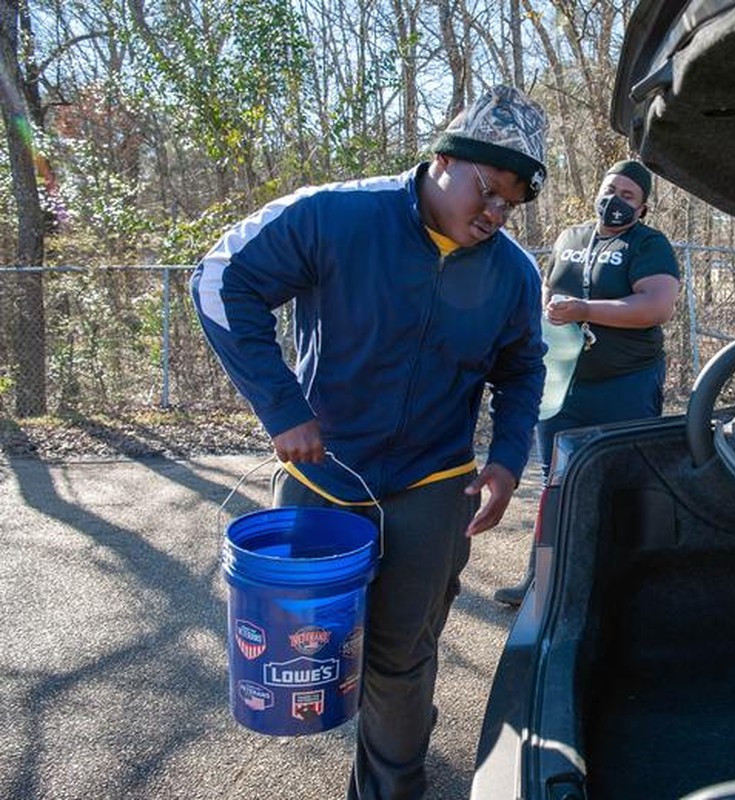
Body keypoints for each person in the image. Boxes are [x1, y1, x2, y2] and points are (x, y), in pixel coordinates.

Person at [191, 85, 549, 799]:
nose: (496, 214)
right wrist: (282, 404)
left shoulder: (513, 271)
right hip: (325, 476)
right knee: (306, 648)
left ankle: (390, 790)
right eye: (488, 191)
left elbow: (522, 369)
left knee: (401, 658)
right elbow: (220, 278)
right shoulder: (337, 216)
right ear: (443, 158)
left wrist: (507, 460)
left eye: (512, 203)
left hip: (431, 484)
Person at [493, 159, 681, 606]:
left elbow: (657, 306)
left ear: (643, 207)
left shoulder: (649, 244)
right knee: (554, 479)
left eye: (628, 195)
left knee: (622, 478)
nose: (615, 199)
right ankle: (540, 580)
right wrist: (551, 313)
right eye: (610, 188)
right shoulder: (570, 237)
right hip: (563, 379)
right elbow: (550, 289)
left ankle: (622, 584)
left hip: (626, 381)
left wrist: (585, 310)